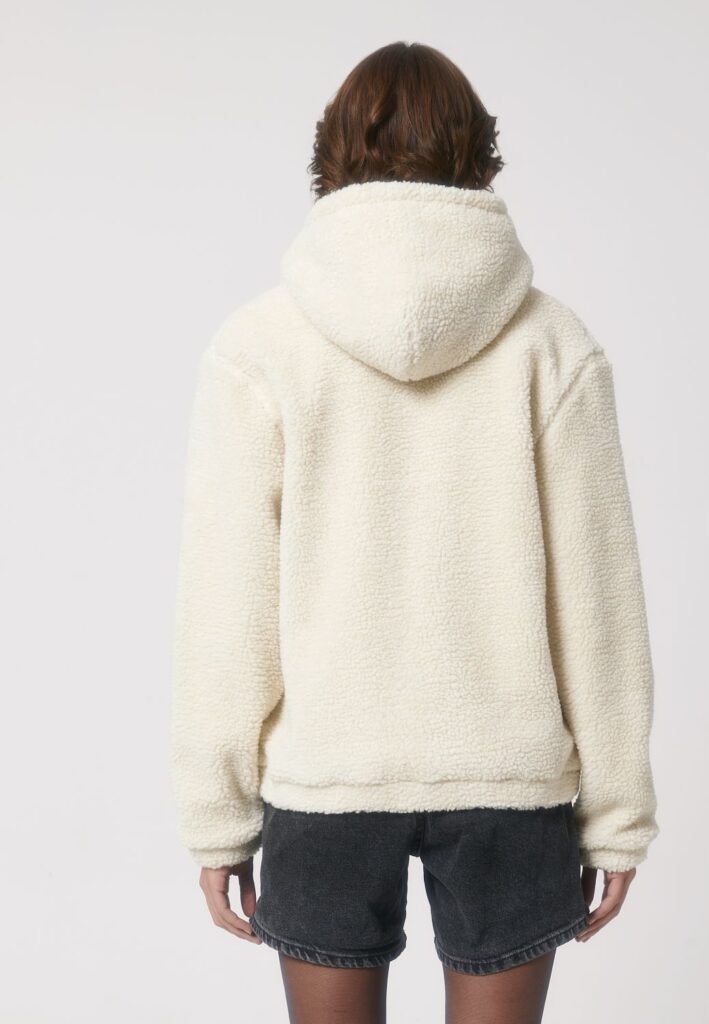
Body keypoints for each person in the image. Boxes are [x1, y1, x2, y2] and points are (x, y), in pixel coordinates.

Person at [170, 40, 659, 1024]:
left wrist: (217, 816)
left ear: (333, 151)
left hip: (327, 780)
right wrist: (616, 813)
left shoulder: (258, 347)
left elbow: (228, 603)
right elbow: (597, 601)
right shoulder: (552, 345)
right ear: (477, 150)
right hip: (510, 784)